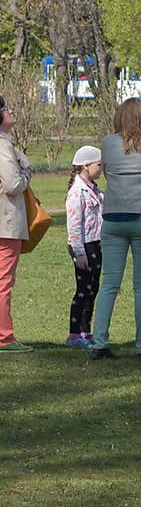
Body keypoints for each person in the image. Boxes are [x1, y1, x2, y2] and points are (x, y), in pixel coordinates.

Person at [89, 98, 141, 360]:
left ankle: (99, 342)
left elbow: (108, 173)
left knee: (109, 283)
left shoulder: (108, 143)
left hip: (114, 215)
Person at [0, 94, 33, 353]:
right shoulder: (2, 146)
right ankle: (4, 336)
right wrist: (26, 173)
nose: (10, 110)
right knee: (3, 282)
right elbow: (13, 184)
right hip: (5, 222)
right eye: (5, 107)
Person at [64, 145, 104, 348]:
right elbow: (74, 225)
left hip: (96, 244)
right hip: (84, 247)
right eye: (99, 164)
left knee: (92, 289)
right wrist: (79, 252)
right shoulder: (77, 192)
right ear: (86, 166)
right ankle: (73, 334)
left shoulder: (94, 189)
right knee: (82, 290)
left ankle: (85, 331)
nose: (101, 169)